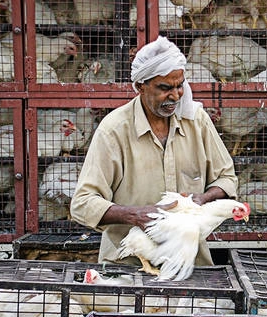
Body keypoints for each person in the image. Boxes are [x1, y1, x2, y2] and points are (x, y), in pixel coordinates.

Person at [70, 36, 238, 270]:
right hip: (127, 266)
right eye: (165, 88)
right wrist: (134, 215)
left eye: (180, 85)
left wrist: (204, 198)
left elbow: (227, 179)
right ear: (140, 86)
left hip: (189, 266)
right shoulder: (114, 130)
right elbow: (82, 203)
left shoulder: (196, 121)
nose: (176, 96)